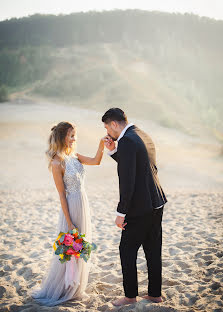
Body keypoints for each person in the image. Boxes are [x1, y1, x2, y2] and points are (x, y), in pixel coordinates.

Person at [31, 121, 105, 306]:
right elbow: (62, 195)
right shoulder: (57, 162)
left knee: (81, 245)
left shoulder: (74, 156)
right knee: (71, 246)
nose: (74, 139)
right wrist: (69, 222)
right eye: (71, 136)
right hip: (71, 206)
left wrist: (102, 144)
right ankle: (65, 287)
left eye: (75, 135)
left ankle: (76, 285)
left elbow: (96, 161)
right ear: (62, 137)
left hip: (83, 203)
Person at [102, 108, 167, 307]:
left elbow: (127, 180)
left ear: (114, 124)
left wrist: (121, 212)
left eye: (106, 127)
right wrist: (113, 151)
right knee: (153, 249)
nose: (107, 132)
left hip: (140, 207)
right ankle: (155, 294)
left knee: (126, 250)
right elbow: (139, 165)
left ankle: (130, 296)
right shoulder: (141, 134)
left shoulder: (127, 141)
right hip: (157, 201)